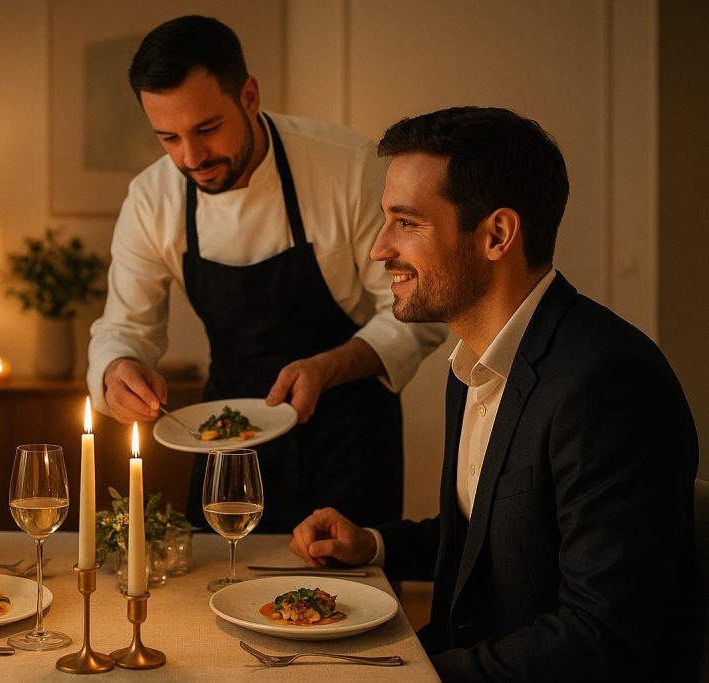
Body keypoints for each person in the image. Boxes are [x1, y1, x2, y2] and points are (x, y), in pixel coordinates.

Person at [288, 107, 701, 681]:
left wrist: (406, 676)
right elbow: (496, 533)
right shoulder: (477, 358)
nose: (380, 249)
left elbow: (600, 637)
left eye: (406, 222)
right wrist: (376, 544)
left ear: (497, 235)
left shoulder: (607, 383)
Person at [87, 15, 446, 533]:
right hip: (225, 437)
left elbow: (417, 308)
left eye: (208, 129)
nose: (192, 157)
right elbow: (124, 326)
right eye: (168, 137)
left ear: (250, 96)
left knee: (349, 597)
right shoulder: (151, 200)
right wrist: (117, 370)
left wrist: (329, 365)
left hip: (347, 429)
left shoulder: (349, 168)